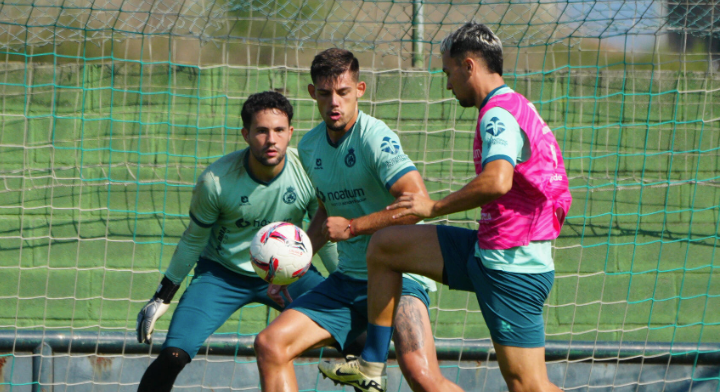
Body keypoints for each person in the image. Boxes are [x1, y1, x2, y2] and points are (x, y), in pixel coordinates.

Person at [321, 22, 573, 392]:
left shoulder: (498, 114)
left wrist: (432, 206)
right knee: (387, 245)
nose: (448, 82)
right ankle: (371, 366)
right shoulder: (516, 105)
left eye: (448, 72)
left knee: (528, 385)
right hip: (488, 249)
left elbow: (498, 180)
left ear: (468, 66)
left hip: (512, 265)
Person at [253, 48, 464, 392]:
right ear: (312, 94)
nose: (333, 102)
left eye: (343, 92)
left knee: (422, 376)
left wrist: (352, 228)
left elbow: (416, 202)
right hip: (347, 281)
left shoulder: (374, 138)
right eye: (325, 93)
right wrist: (295, 263)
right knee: (270, 345)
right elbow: (326, 209)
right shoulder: (308, 147)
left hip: (400, 277)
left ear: (360, 90)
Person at [135, 91, 338, 392]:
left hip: (289, 272)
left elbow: (325, 232)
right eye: (261, 131)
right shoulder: (215, 181)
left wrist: (344, 282)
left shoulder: (308, 171)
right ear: (246, 134)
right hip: (222, 274)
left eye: (279, 130)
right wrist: (162, 296)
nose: (271, 139)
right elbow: (193, 241)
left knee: (357, 335)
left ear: (290, 133)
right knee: (172, 356)